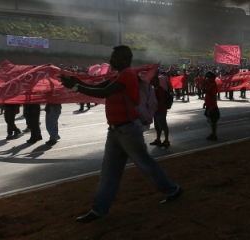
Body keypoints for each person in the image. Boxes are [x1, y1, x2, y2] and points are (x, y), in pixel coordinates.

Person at [60, 45, 183, 223]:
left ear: (124, 60)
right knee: (110, 172)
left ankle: (173, 190)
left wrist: (76, 87)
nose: (111, 60)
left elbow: (103, 92)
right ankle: (99, 210)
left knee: (143, 165)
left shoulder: (127, 75)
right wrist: (75, 83)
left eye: (114, 57)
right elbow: (98, 87)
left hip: (127, 130)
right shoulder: (119, 74)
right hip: (117, 130)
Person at [149, 76, 170, 147]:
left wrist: (157, 107)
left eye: (154, 81)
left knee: (163, 126)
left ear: (157, 81)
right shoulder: (154, 89)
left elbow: (162, 100)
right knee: (157, 126)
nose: (153, 82)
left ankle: (166, 140)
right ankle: (158, 139)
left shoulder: (160, 90)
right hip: (157, 110)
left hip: (161, 110)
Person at [203, 71, 220, 141]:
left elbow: (213, 97)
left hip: (212, 106)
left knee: (213, 121)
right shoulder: (210, 85)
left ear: (212, 78)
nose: (207, 79)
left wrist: (211, 107)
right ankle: (213, 134)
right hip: (209, 105)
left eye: (209, 78)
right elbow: (205, 91)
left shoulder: (213, 86)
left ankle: (214, 134)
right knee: (211, 120)